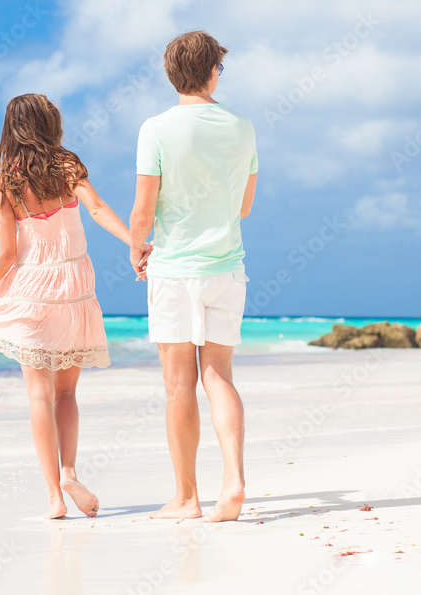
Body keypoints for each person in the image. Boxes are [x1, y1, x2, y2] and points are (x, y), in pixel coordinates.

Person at [0, 93, 152, 519]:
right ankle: (70, 471)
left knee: (38, 396)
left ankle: (55, 499)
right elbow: (96, 210)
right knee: (66, 392)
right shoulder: (66, 166)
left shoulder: (4, 181)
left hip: (31, 289)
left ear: (11, 128)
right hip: (74, 289)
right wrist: (136, 244)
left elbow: (7, 254)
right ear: (50, 123)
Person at [129, 30, 258, 522]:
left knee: (179, 385)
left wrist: (138, 249)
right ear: (212, 71)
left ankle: (186, 498)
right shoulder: (242, 126)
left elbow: (142, 213)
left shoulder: (155, 129)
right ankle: (234, 479)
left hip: (175, 271)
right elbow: (244, 205)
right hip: (227, 267)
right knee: (219, 376)